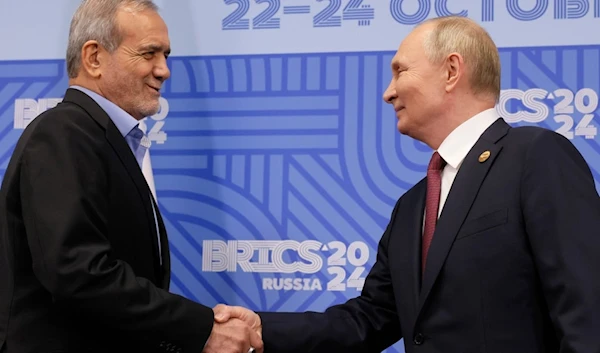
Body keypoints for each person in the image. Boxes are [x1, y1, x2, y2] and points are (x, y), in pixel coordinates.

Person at [213, 15, 600, 353]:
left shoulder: (535, 156)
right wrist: (262, 330)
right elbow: (369, 319)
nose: (388, 92)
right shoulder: (413, 205)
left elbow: (587, 308)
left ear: (451, 71)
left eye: (401, 71)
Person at [0, 1, 262, 353]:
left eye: (166, 55)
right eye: (149, 53)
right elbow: (78, 273)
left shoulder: (101, 138)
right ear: (94, 57)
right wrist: (200, 328)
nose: (164, 70)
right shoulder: (64, 133)